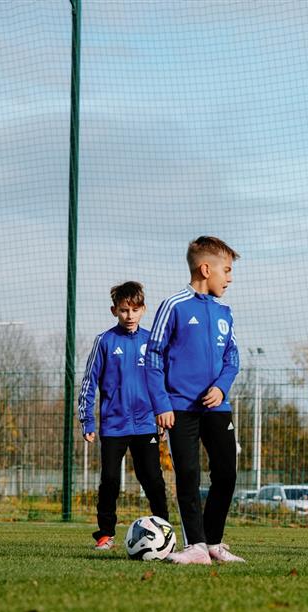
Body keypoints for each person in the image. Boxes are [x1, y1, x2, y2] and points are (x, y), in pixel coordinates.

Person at [147, 236, 244, 565]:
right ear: (206, 269)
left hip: (218, 408)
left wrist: (221, 386)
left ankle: (214, 542)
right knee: (188, 474)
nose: (229, 278)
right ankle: (196, 546)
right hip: (180, 409)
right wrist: (161, 403)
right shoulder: (173, 306)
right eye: (226, 271)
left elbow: (233, 358)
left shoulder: (224, 312)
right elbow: (154, 356)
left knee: (227, 475)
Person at [78, 281, 168, 550]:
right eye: (124, 310)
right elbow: (88, 382)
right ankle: (105, 534)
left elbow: (163, 380)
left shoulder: (152, 341)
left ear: (143, 310)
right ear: (114, 310)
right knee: (110, 480)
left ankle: (164, 530)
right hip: (114, 426)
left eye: (135, 310)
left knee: (152, 479)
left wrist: (163, 413)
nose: (129, 316)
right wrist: (87, 420)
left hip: (145, 424)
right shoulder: (104, 341)